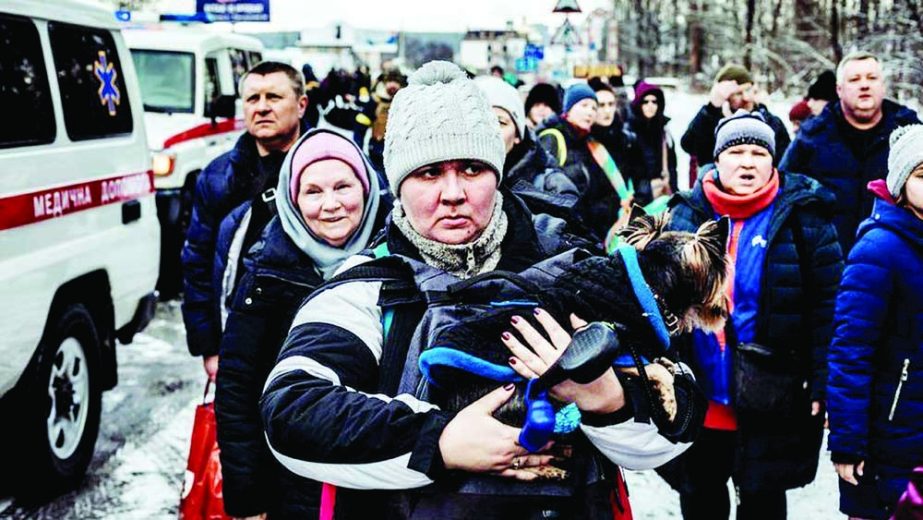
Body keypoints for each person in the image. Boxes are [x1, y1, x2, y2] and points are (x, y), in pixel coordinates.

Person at [260, 60, 699, 519]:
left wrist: (608, 400)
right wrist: (438, 441)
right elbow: (291, 411)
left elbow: (680, 421)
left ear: (498, 171)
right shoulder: (369, 287)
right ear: (397, 184)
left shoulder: (570, 267)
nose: (453, 192)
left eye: (471, 168)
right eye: (429, 173)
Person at [662, 111, 844, 520]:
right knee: (701, 500)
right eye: (737, 151)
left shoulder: (805, 218)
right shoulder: (684, 216)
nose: (748, 162)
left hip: (772, 401)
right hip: (700, 399)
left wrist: (822, 383)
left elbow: (828, 312)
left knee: (762, 504)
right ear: (717, 159)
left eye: (759, 152)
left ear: (774, 160)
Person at [214, 128, 390, 519]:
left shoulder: (398, 258)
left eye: (343, 186)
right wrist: (248, 497)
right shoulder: (267, 272)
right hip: (294, 480)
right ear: (292, 199)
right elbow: (238, 387)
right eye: (313, 191)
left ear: (367, 188)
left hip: (385, 474)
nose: (331, 205)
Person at [181, 61, 307, 380]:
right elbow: (196, 264)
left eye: (274, 97)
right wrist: (209, 347)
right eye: (253, 99)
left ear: (301, 104)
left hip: (307, 338)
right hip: (240, 342)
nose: (262, 107)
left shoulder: (332, 171)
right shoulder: (217, 177)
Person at [827, 124, 923, 520]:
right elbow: (851, 351)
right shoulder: (879, 249)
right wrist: (848, 441)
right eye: (922, 175)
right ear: (900, 184)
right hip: (890, 439)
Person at [780, 51, 921, 253]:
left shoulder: (911, 134)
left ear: (883, 86)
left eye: (872, 78)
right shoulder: (812, 137)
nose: (864, 85)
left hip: (897, 259)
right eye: (854, 79)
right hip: (827, 262)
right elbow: (784, 194)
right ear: (839, 89)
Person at [473, 75, 580, 219]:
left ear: (518, 134)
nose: (490, 131)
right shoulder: (448, 184)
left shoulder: (552, 187)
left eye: (500, 122)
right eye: (480, 121)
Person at [538, 83, 629, 241]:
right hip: (563, 235)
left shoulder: (590, 144)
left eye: (594, 108)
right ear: (568, 109)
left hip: (590, 234)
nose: (590, 112)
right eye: (584, 105)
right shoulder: (553, 137)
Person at [681, 63, 790, 168]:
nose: (746, 98)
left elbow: (785, 162)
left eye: (748, 90)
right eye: (738, 93)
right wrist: (711, 108)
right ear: (726, 97)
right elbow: (689, 145)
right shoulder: (712, 120)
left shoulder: (771, 121)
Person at [626, 80, 678, 203]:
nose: (650, 105)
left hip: (663, 195)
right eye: (646, 101)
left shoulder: (664, 132)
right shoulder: (629, 133)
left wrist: (674, 193)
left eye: (654, 102)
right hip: (638, 199)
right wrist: (647, 189)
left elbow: (672, 167)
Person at [354, 68, 407, 183]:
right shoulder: (374, 102)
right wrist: (358, 150)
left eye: (396, 82)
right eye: (389, 81)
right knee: (382, 182)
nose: (392, 85)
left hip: (402, 148)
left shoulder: (406, 101)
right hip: (378, 149)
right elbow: (360, 128)